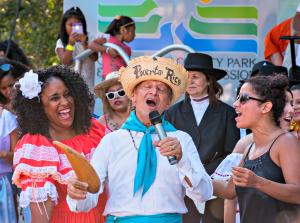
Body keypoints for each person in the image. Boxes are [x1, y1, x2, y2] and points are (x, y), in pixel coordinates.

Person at [66, 56, 213, 223]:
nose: (153, 92)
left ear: (168, 103)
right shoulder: (110, 141)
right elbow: (89, 198)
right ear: (133, 96)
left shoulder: (181, 140)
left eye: (161, 89)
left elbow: (204, 194)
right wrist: (78, 193)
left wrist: (182, 161)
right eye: (147, 87)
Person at [12, 66, 107, 223]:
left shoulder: (93, 129)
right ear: (39, 107)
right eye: (54, 98)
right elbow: (40, 217)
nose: (65, 102)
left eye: (67, 94)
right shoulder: (37, 148)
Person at [212, 74, 300, 223]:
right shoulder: (249, 149)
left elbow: (297, 193)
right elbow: (228, 191)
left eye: (243, 98)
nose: (235, 103)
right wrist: (186, 170)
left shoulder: (286, 141)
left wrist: (258, 182)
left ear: (266, 107)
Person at [164, 53, 240, 223]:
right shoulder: (171, 113)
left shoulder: (227, 114)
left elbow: (230, 153)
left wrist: (202, 172)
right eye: (186, 77)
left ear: (208, 81)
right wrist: (189, 171)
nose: (190, 81)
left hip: (215, 184)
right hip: (181, 186)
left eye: (195, 77)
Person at [0, 60, 28, 223]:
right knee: (10, 203)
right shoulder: (4, 108)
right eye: (3, 88)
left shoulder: (30, 100)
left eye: (12, 85)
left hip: (26, 155)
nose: (9, 91)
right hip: (10, 162)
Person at [55, 7, 98, 90]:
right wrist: (70, 44)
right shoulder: (61, 42)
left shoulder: (90, 38)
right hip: (71, 87)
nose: (74, 28)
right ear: (64, 26)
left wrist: (85, 44)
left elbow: (94, 58)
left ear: (83, 25)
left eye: (78, 25)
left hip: (88, 87)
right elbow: (66, 63)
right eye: (70, 25)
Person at [88, 15, 135, 79]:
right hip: (108, 79)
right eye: (132, 31)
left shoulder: (128, 49)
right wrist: (107, 50)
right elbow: (91, 44)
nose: (134, 35)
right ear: (123, 30)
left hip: (122, 81)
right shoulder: (108, 38)